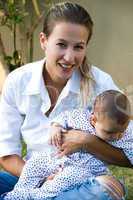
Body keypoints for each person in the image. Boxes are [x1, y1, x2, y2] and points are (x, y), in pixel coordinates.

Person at [0, 1, 132, 199]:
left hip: (79, 180)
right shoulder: (18, 81)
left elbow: (129, 154)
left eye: (78, 47)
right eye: (61, 44)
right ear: (44, 41)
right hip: (30, 174)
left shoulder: (101, 85)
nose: (69, 57)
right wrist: (46, 181)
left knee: (107, 188)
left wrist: (86, 141)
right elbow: (7, 154)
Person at [1, 90, 131, 200]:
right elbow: (64, 117)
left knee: (61, 181)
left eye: (122, 131)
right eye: (110, 132)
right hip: (58, 160)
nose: (117, 136)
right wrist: (56, 127)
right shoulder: (81, 117)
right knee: (34, 164)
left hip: (83, 170)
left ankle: (37, 196)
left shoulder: (121, 135)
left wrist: (88, 141)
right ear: (93, 120)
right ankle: (18, 193)